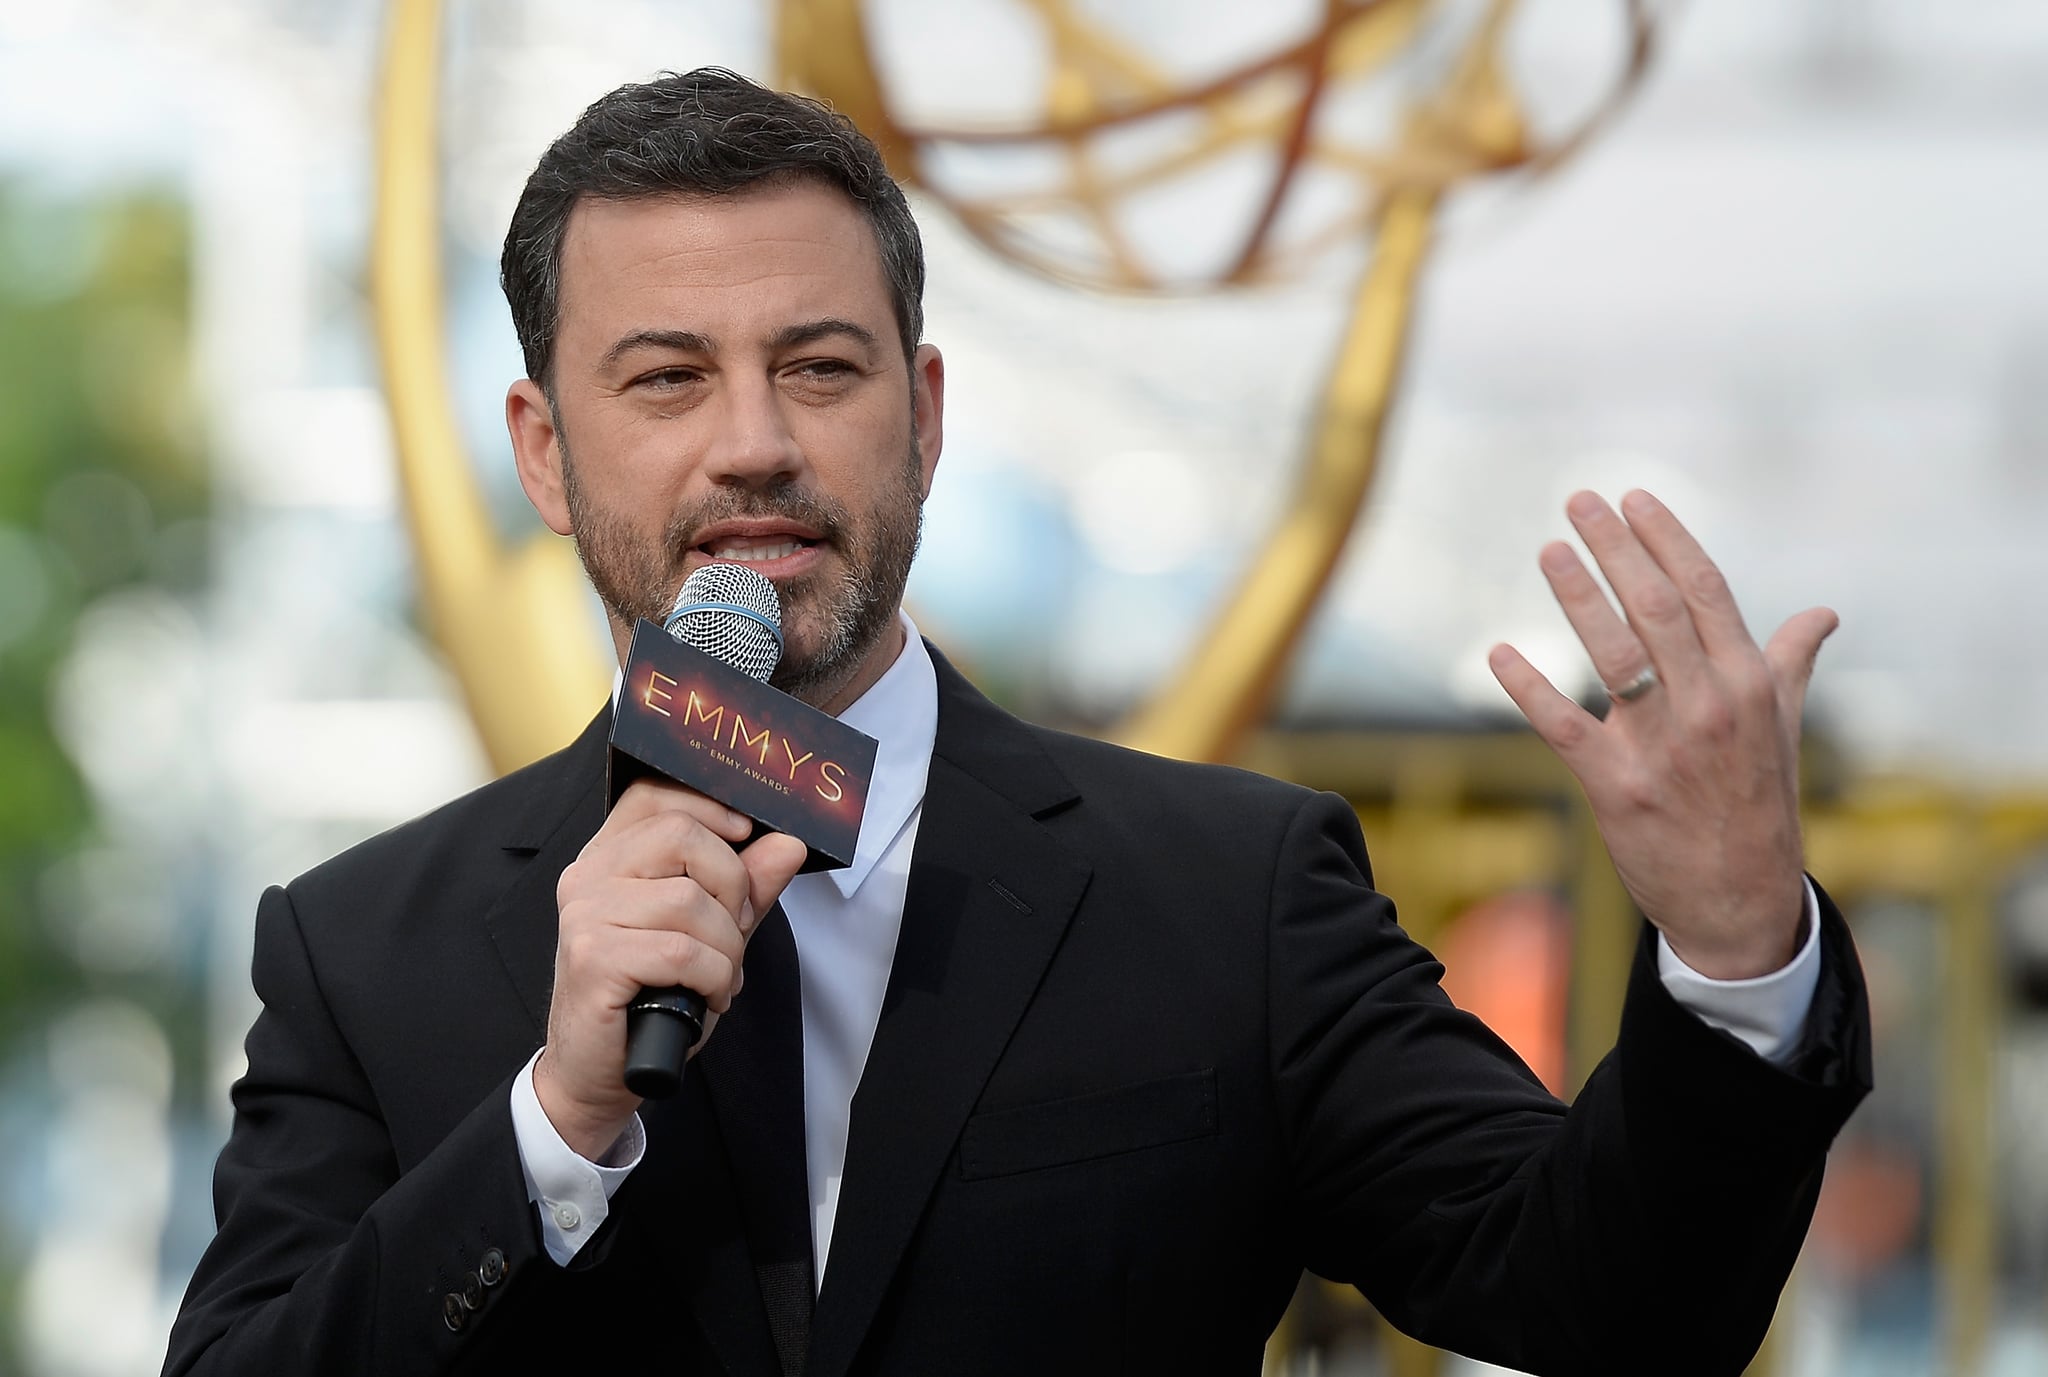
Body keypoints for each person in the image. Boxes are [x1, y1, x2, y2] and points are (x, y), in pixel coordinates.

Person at [164, 68, 1870, 1377]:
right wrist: (555, 1124)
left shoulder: (1231, 895)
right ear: (544, 449)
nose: (752, 441)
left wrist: (1734, 950)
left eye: (820, 369)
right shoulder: (358, 950)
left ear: (919, 413)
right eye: (668, 377)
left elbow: (1613, 1298)